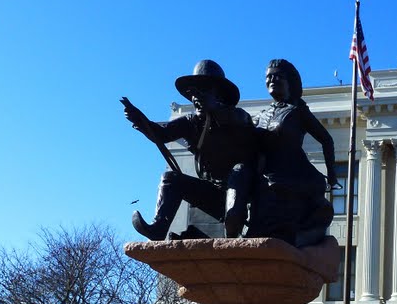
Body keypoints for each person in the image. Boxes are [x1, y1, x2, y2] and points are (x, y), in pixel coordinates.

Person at [123, 60, 260, 240]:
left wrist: (214, 108)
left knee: (238, 172)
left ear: (218, 94)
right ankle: (158, 228)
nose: (196, 97)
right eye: (194, 92)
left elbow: (241, 127)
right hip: (215, 195)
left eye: (203, 91)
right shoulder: (191, 122)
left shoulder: (238, 116)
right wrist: (140, 120)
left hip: (246, 198)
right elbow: (162, 134)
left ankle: (232, 240)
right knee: (170, 179)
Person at [249, 59, 339, 247]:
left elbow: (326, 139)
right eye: (268, 77)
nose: (272, 80)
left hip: (292, 173)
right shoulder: (260, 116)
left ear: (289, 81)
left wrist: (332, 175)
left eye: (277, 76)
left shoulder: (297, 111)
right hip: (265, 173)